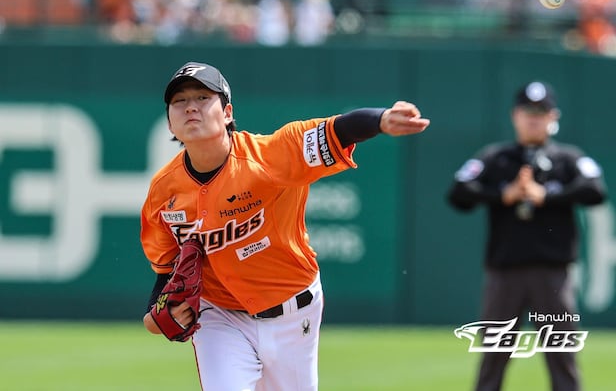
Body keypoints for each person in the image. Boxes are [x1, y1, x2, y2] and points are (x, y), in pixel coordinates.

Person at [140, 61, 430, 390]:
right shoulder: (163, 191)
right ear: (170, 121)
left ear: (228, 112)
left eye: (203, 97)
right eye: (179, 101)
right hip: (221, 316)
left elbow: (338, 130)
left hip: (294, 315)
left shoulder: (271, 157)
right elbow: (168, 266)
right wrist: (153, 314)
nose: (191, 107)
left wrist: (381, 120)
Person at [447, 81, 607, 391]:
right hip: (505, 274)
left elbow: (595, 189)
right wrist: (502, 195)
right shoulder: (496, 157)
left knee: (562, 357)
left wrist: (545, 195)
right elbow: (459, 192)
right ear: (515, 115)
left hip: (553, 275)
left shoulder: (567, 158)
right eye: (528, 112)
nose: (534, 119)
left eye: (541, 112)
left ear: (553, 116)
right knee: (493, 358)